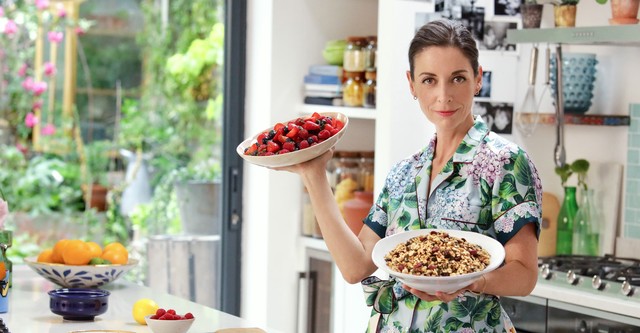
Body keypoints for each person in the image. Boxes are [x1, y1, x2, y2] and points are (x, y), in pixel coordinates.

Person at [278, 19, 541, 332]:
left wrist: (473, 282)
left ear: (478, 79)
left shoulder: (505, 163)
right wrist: (314, 174)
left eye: (457, 78)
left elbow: (524, 275)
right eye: (429, 80)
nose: (444, 96)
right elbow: (355, 266)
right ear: (412, 84)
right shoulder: (405, 172)